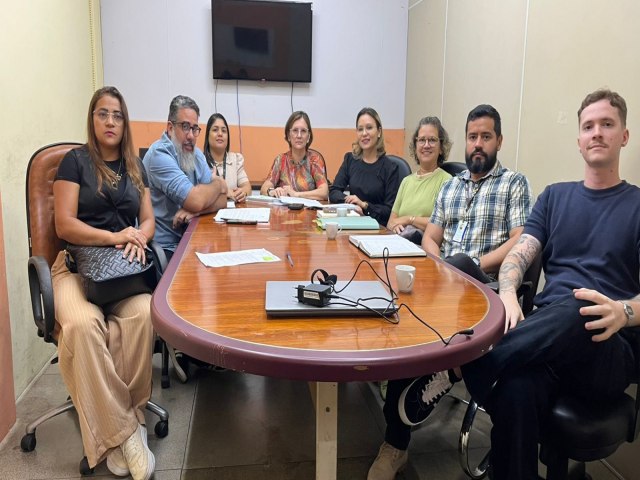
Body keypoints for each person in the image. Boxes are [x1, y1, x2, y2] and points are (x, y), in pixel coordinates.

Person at [368, 104, 533, 480]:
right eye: (473, 136)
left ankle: (451, 367)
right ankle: (396, 445)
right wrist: (437, 265)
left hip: (486, 288)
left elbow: (521, 240)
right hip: (445, 285)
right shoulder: (452, 186)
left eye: (486, 137)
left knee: (459, 261)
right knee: (404, 328)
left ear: (499, 141)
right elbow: (431, 237)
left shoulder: (513, 183)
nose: (478, 144)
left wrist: (469, 265)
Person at [52, 86, 156, 479]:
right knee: (83, 325)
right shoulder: (74, 162)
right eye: (103, 113)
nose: (110, 121)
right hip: (75, 270)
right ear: (92, 119)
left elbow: (148, 219)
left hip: (122, 273)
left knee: (144, 313)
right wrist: (115, 237)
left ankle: (130, 417)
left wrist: (139, 237)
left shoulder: (135, 165)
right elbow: (64, 224)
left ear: (125, 122)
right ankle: (126, 433)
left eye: (117, 115)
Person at [143, 95, 227, 260]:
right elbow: (196, 200)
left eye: (195, 129)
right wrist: (218, 184)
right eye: (185, 127)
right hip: (164, 249)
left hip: (192, 240)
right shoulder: (159, 154)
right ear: (170, 128)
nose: (191, 136)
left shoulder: (195, 154)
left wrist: (198, 211)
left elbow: (223, 199)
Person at [329, 107, 402, 226]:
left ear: (379, 132)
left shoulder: (390, 168)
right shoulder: (350, 160)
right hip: (353, 223)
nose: (364, 133)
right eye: (360, 129)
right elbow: (334, 191)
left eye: (369, 128)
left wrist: (364, 205)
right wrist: (352, 203)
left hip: (378, 228)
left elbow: (389, 211)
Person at [387, 116, 452, 244]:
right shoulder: (406, 181)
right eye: (422, 140)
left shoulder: (448, 182)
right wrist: (395, 227)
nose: (426, 145)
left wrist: (409, 219)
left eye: (432, 140)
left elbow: (444, 225)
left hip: (426, 249)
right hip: (398, 244)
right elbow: (390, 222)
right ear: (415, 146)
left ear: (441, 148)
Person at [259, 111, 329, 200]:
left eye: (303, 131)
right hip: (284, 208)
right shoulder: (281, 160)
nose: (299, 135)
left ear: (308, 137)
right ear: (288, 135)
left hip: (308, 208)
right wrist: (272, 191)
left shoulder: (314, 160)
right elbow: (264, 189)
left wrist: (296, 195)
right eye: (295, 130)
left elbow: (324, 192)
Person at [203, 113, 252, 203]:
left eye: (224, 131)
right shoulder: (200, 161)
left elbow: (247, 186)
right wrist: (223, 191)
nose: (220, 134)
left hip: (233, 210)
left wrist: (243, 193)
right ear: (207, 135)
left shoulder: (236, 159)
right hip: (209, 210)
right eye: (215, 130)